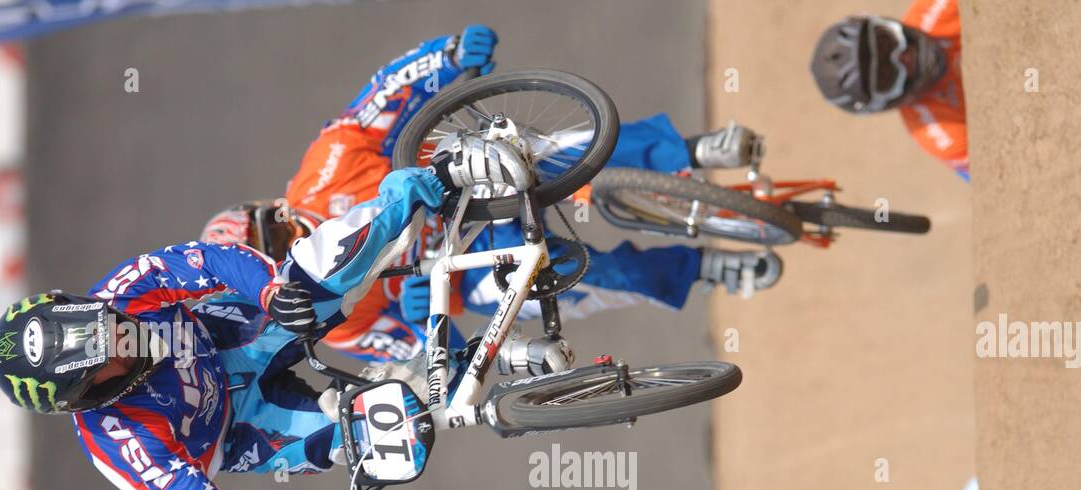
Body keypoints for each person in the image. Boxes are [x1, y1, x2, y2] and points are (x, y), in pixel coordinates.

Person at [0, 142, 530, 490]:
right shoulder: (120, 440)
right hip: (245, 428)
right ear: (85, 395)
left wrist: (269, 291)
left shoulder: (124, 291)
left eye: (98, 320)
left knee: (313, 280)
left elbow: (209, 260)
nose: (117, 333)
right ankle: (495, 361)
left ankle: (435, 175)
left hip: (228, 335)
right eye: (101, 355)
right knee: (380, 436)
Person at [201, 25, 782, 370]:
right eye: (276, 252)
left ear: (271, 208)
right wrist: (426, 325)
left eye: (272, 228)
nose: (289, 239)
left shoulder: (322, 168)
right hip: (464, 269)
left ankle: (693, 151)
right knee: (589, 282)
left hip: (470, 179)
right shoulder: (331, 320)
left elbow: (384, 96)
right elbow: (418, 363)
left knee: (559, 147)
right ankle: (702, 268)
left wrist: (447, 55)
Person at [809, 2, 968, 181]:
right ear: (886, 102)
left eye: (886, 42)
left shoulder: (934, 9)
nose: (902, 57)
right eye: (886, 74)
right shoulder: (939, 135)